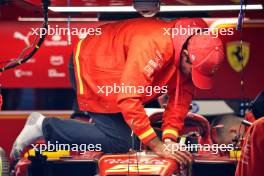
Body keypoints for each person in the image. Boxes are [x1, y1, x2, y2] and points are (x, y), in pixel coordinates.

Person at [10, 18, 224, 165]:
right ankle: (43, 126)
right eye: (193, 72)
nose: (192, 78)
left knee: (140, 140)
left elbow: (180, 102)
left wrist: (168, 140)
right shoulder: (155, 45)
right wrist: (157, 145)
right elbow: (129, 97)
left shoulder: (194, 50)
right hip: (91, 64)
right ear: (186, 55)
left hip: (117, 70)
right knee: (122, 142)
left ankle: (52, 127)